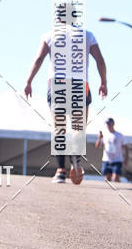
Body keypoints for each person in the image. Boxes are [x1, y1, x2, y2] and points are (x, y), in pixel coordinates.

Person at [24, 19, 107, 184]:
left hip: (57, 85)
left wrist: (28, 81)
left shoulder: (50, 35)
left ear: (58, 19)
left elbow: (39, 59)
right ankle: (75, 161)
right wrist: (103, 82)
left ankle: (61, 170)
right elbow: (100, 60)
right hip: (80, 85)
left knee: (59, 128)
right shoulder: (87, 35)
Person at [95, 118, 128, 182]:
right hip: (106, 159)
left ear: (113, 124)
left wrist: (126, 158)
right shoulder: (104, 135)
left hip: (117, 159)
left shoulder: (119, 135)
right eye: (107, 124)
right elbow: (97, 146)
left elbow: (126, 147)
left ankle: (120, 187)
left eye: (109, 124)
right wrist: (99, 138)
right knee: (107, 178)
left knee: (115, 178)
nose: (108, 125)